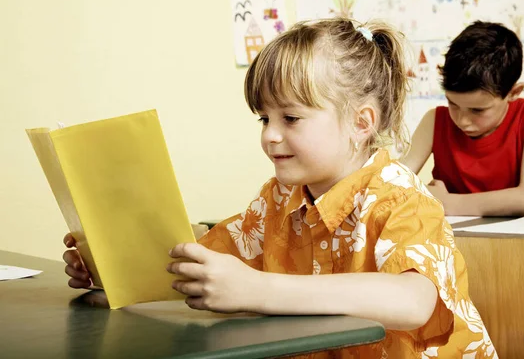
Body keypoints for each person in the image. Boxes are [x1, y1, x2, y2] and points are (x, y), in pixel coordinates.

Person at [63, 18, 497, 358]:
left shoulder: (401, 197)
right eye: (263, 118)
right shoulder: (278, 198)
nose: (270, 135)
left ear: (361, 123)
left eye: (290, 118)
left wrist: (257, 289)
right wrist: (108, 260)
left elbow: (412, 302)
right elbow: (207, 254)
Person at [403, 21, 524, 217]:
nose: (462, 120)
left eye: (477, 110)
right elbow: (391, 186)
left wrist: (447, 203)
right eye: (453, 104)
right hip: (457, 245)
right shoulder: (434, 120)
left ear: (513, 92)